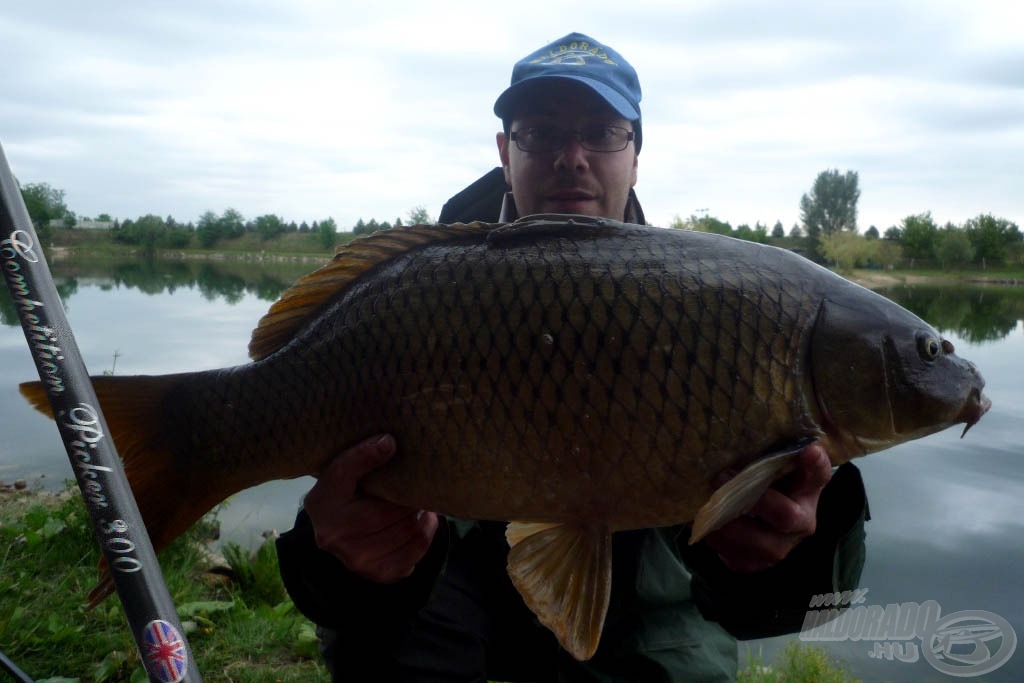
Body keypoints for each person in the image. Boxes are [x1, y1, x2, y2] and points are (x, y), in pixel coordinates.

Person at [277, 33, 868, 682]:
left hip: (636, 606)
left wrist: (787, 549)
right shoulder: (422, 291)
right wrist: (341, 560)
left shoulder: (713, 307)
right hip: (443, 590)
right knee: (382, 639)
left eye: (602, 131)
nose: (572, 157)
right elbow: (339, 559)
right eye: (540, 132)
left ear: (637, 154)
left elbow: (774, 607)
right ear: (505, 153)